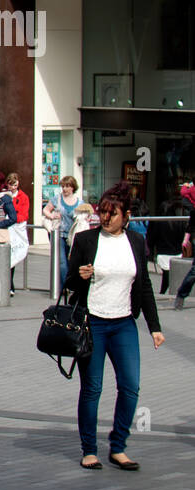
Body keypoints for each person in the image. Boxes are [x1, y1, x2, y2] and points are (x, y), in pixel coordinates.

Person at [65, 182, 164, 471]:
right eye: (102, 212)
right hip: (93, 322)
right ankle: (89, 450)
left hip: (123, 324)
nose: (105, 218)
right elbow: (69, 282)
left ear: (126, 215)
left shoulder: (135, 241)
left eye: (112, 213)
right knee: (93, 388)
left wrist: (154, 327)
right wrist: (80, 276)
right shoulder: (86, 241)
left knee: (131, 386)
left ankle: (118, 446)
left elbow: (144, 286)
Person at [43, 176, 83, 292]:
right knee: (61, 262)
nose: (65, 189)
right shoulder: (57, 199)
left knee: (71, 261)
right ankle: (66, 286)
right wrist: (51, 216)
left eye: (67, 186)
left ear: (73, 187)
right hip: (58, 234)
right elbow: (46, 210)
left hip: (72, 236)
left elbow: (84, 215)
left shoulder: (79, 202)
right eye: (63, 186)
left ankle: (63, 286)